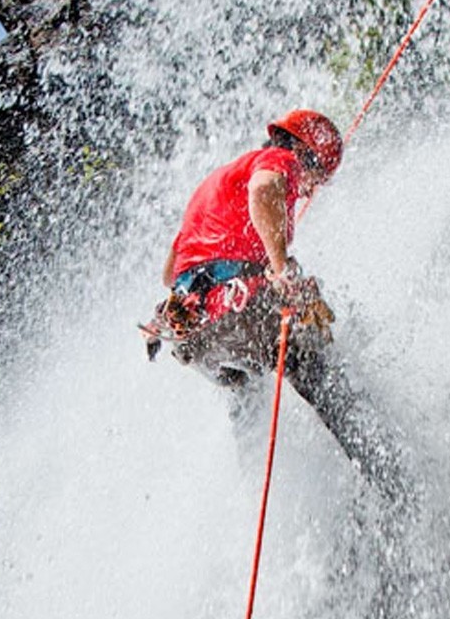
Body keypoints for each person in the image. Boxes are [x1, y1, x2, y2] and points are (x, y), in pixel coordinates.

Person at [142, 109, 409, 503]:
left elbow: (170, 272)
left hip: (189, 331)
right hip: (238, 305)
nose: (306, 190)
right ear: (306, 154)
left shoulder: (212, 187)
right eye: (315, 179)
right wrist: (282, 271)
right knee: (314, 367)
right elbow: (266, 190)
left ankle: (251, 487)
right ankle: (390, 476)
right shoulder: (278, 161)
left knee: (242, 389)